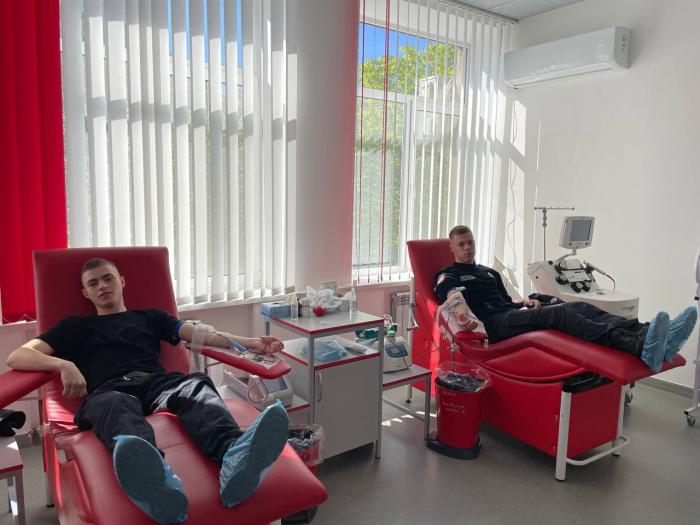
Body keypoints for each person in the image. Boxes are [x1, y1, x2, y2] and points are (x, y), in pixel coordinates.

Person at [6, 258, 289, 524]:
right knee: (116, 406)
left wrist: (251, 342)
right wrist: (63, 365)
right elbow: (18, 356)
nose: (102, 286)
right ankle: (156, 484)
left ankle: (234, 457)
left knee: (195, 384)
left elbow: (200, 335)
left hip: (157, 385)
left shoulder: (149, 317)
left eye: (108, 278)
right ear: (86, 292)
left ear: (121, 281)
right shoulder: (76, 327)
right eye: (93, 283)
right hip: (109, 392)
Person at [434, 225, 697, 373]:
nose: (467, 247)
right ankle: (638, 346)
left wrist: (525, 303)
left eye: (470, 242)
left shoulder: (489, 273)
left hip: (510, 314)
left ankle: (650, 334)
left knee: (580, 305)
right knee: (562, 314)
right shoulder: (449, 273)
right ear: (451, 247)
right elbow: (452, 295)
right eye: (462, 244)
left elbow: (506, 300)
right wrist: (461, 313)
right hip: (494, 326)